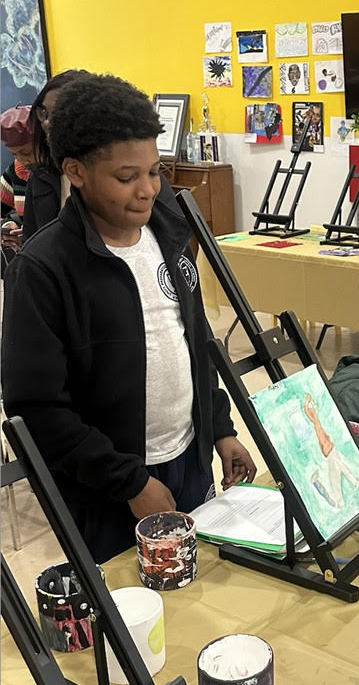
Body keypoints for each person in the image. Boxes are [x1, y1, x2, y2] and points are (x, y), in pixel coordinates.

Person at [2, 72, 256, 564]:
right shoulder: (43, 269)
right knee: (134, 599)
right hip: (106, 490)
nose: (147, 190)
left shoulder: (169, 236)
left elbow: (195, 343)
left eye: (154, 172)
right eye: (126, 177)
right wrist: (131, 482)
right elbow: (36, 407)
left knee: (204, 586)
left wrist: (220, 427)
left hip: (190, 457)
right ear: (75, 171)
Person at [22, 69, 87, 241]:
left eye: (59, 112)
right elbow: (31, 240)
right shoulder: (40, 175)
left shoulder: (116, 172)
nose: (47, 122)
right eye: (44, 112)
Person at [1, 104, 34, 257]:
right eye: (14, 154)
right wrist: (7, 225)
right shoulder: (17, 170)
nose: (22, 160)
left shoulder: (61, 173)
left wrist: (30, 235)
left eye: (26, 152)